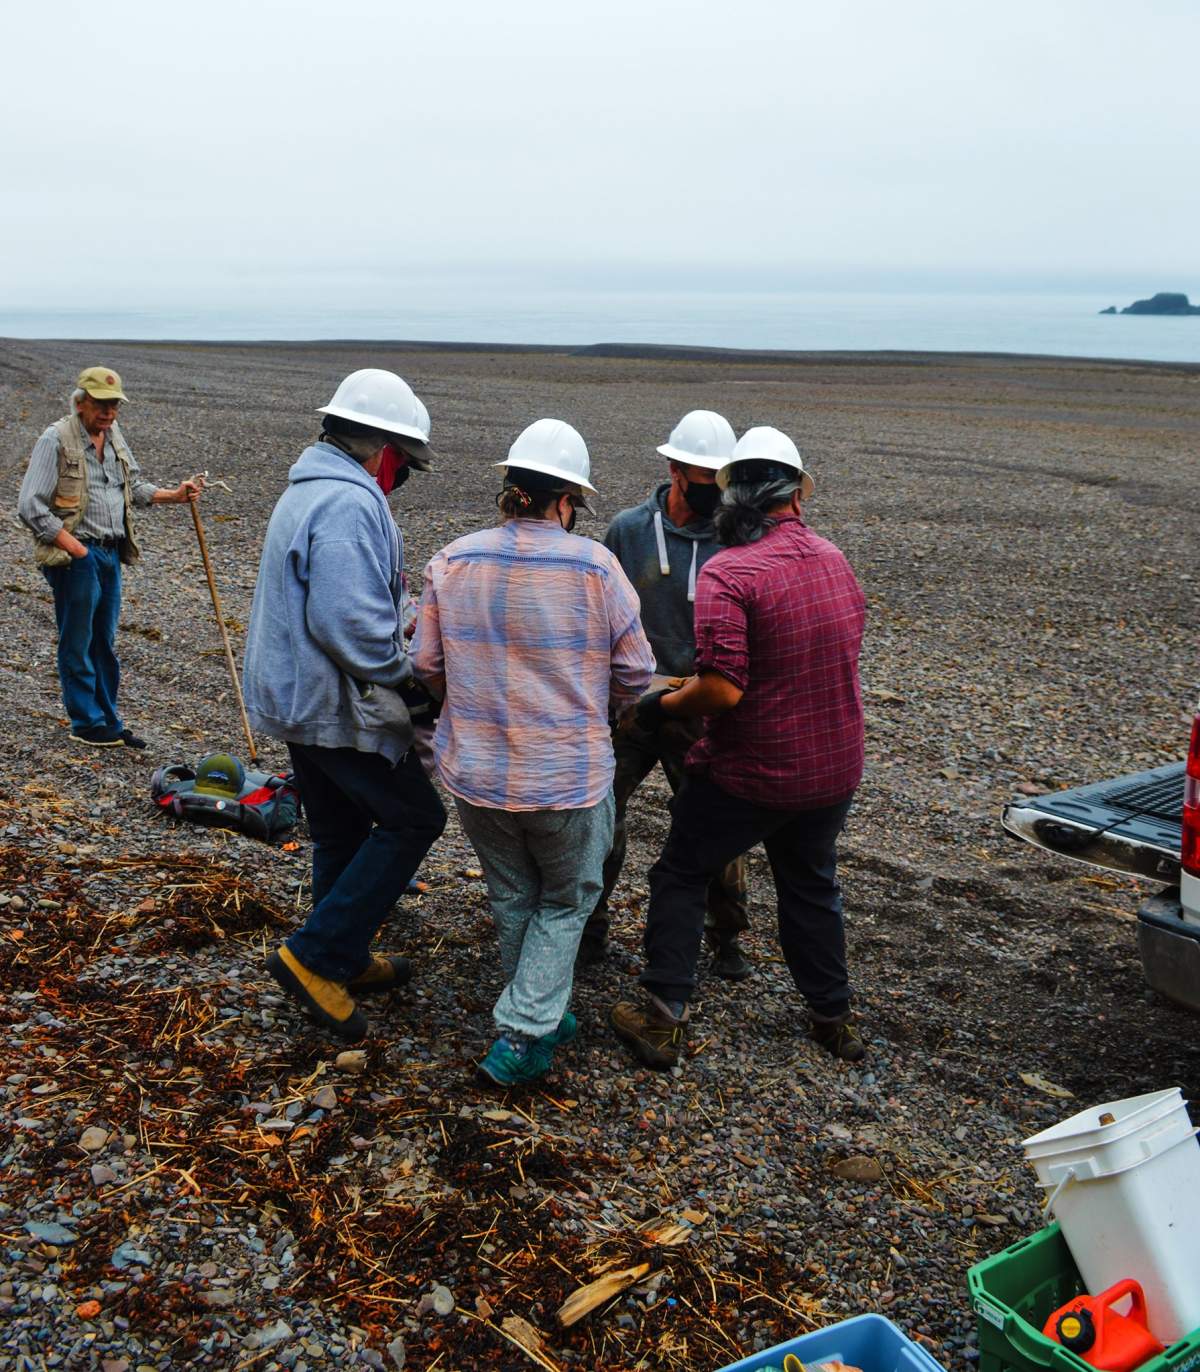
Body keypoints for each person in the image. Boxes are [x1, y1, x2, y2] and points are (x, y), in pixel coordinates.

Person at [611, 426, 868, 1069]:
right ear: (796, 501)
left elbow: (722, 690)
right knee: (810, 884)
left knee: (680, 872)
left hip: (753, 770)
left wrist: (658, 706)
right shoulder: (834, 560)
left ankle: (663, 1017)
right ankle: (833, 1018)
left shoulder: (731, 571)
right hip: (834, 766)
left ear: (733, 500)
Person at [411, 419, 654, 1086]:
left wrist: (468, 700)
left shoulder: (453, 560)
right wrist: (604, 706)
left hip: (477, 772)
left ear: (511, 488)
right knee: (569, 899)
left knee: (515, 894)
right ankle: (522, 1035)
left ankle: (541, 1009)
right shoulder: (596, 566)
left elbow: (425, 663)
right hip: (568, 776)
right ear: (569, 499)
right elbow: (636, 671)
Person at [243, 368, 444, 1043]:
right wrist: (410, 680)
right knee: (415, 819)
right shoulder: (350, 505)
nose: (402, 478)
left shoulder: (308, 491)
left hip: (295, 695)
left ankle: (344, 955)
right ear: (383, 450)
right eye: (405, 466)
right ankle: (314, 957)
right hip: (329, 703)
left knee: (339, 831)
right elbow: (349, 626)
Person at [579, 409, 753, 978]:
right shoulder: (629, 530)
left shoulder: (740, 537)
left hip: (701, 703)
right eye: (708, 480)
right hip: (632, 703)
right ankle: (589, 928)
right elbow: (598, 609)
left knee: (713, 827)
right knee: (601, 816)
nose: (717, 494)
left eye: (723, 481)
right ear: (675, 469)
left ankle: (726, 935)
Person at [17, 367, 204, 748]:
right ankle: (86, 722)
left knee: (103, 640)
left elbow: (131, 486)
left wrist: (174, 495)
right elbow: (29, 507)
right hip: (77, 557)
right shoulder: (54, 439)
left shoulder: (113, 436)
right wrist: (78, 550)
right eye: (102, 405)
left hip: (110, 554)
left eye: (114, 405)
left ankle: (110, 720)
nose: (109, 413)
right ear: (81, 401)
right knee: (78, 640)